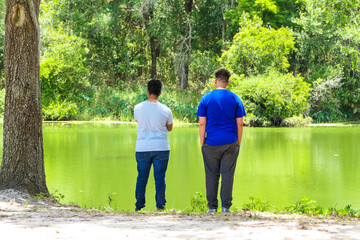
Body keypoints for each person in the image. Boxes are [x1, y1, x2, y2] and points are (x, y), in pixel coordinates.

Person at [197, 68, 246, 213]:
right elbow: (240, 123)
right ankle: (225, 207)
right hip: (230, 142)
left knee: (211, 175)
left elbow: (202, 123)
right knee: (227, 175)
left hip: (211, 142)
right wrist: (238, 142)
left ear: (215, 81)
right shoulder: (235, 98)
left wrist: (202, 143)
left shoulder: (206, 98)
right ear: (227, 82)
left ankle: (212, 208)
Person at [134, 79, 173, 211]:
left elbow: (139, 122)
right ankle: (160, 207)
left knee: (142, 177)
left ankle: (139, 207)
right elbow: (170, 128)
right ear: (160, 93)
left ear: (148, 91)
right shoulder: (166, 110)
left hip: (142, 148)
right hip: (161, 147)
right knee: (160, 178)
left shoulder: (137, 108)